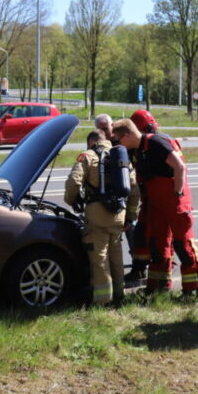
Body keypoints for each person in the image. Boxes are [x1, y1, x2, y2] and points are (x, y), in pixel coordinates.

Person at [112, 118, 198, 297]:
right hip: (156, 202)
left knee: (182, 244)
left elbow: (180, 167)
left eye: (119, 139)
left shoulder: (156, 142)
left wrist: (177, 193)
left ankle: (193, 290)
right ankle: (158, 287)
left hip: (174, 200)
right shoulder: (135, 150)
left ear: (128, 135)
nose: (119, 144)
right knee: (157, 245)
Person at [64, 130, 140, 306]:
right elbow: (134, 190)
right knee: (116, 256)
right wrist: (130, 217)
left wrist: (71, 200)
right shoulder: (121, 157)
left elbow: (73, 182)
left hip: (96, 215)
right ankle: (119, 295)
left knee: (99, 258)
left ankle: (103, 300)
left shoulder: (87, 156)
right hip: (119, 215)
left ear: (91, 142)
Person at [124, 109, 162, 284]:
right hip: (146, 198)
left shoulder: (158, 145)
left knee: (159, 239)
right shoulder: (135, 148)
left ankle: (161, 277)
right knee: (140, 234)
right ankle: (139, 270)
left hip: (161, 200)